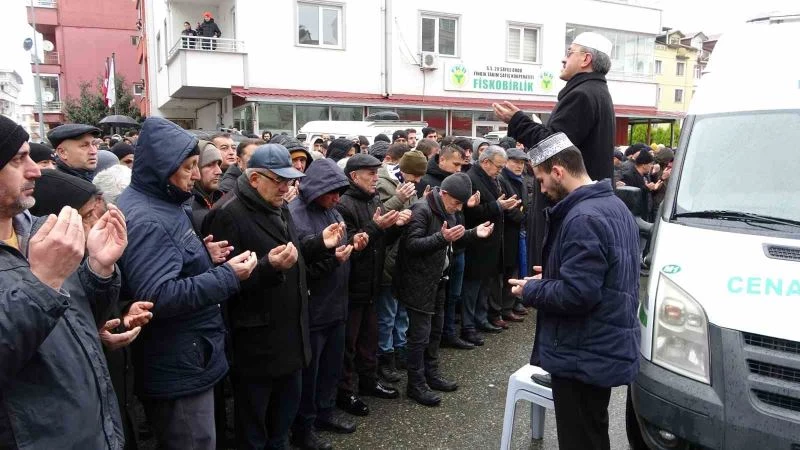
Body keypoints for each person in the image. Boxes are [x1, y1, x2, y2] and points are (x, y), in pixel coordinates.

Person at [117, 117, 257, 450]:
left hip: (188, 352)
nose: (196, 175)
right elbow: (157, 296)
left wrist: (201, 254)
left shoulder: (165, 201)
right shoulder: (149, 218)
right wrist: (227, 276)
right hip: (177, 361)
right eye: (189, 167)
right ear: (163, 167)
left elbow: (168, 262)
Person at [0, 116, 136, 449]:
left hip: (94, 427)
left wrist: (99, 271)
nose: (35, 170)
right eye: (18, 159)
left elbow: (83, 318)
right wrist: (43, 282)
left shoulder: (40, 229)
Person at [205, 144, 343, 450]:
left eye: (290, 180)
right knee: (254, 428)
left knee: (282, 422)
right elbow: (224, 283)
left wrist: (320, 243)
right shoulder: (227, 214)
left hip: (291, 337)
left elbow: (292, 252)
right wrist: (268, 267)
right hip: (256, 345)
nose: (287, 187)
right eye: (279, 180)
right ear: (254, 179)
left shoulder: (277, 204)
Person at [508, 132, 640, 450]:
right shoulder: (612, 205)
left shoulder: (583, 218)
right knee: (592, 432)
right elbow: (605, 272)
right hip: (598, 347)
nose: (540, 189)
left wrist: (533, 290)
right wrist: (554, 273)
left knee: (581, 439)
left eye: (541, 180)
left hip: (583, 352)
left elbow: (579, 294)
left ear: (558, 171)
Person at [395, 173, 495, 406]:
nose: (459, 208)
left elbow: (453, 239)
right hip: (418, 282)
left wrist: (473, 233)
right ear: (445, 194)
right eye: (457, 203)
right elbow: (411, 245)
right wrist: (441, 238)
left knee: (435, 332)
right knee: (419, 336)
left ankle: (431, 374)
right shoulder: (422, 209)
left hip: (439, 279)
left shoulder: (447, 209)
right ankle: (415, 384)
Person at [288, 158, 368, 449]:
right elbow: (299, 269)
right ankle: (304, 427)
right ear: (316, 188)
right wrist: (333, 260)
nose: (337, 198)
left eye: (340, 191)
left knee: (331, 368)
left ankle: (325, 412)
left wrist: (353, 247)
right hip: (313, 310)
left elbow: (338, 252)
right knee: (310, 374)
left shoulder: (332, 210)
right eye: (332, 191)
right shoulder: (295, 216)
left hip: (337, 305)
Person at [336, 154, 411, 417]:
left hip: (372, 283)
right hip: (352, 285)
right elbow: (353, 245)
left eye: (377, 172)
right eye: (370, 173)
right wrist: (377, 226)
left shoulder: (373, 200)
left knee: (369, 337)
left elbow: (379, 239)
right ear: (354, 176)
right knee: (349, 342)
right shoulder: (345, 204)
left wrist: (395, 227)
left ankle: (368, 381)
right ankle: (344, 392)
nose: (375, 178)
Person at [492, 31, 615, 183]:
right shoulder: (596, 91)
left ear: (586, 59)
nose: (563, 59)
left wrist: (517, 121)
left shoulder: (582, 94)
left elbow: (554, 147)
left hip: (573, 197)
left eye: (569, 53)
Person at [375, 148, 425, 383]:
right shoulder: (384, 183)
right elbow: (379, 218)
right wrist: (400, 199)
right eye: (414, 176)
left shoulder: (411, 183)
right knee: (387, 313)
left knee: (401, 311)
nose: (416, 181)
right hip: (388, 257)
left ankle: (401, 349)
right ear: (404, 171)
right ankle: (385, 356)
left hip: (405, 257)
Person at [461, 146, 520, 342]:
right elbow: (469, 212)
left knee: (485, 284)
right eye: (498, 166)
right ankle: (468, 326)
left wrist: (504, 205)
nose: (500, 171)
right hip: (476, 243)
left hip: (492, 242)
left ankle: (481, 318)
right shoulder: (471, 178)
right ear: (485, 162)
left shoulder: (492, 178)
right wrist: (497, 206)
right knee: (472, 288)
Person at [498, 149, 531, 320]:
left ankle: (511, 304)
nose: (519, 165)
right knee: (508, 270)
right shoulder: (502, 179)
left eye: (522, 162)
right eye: (516, 161)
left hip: (519, 229)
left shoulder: (521, 180)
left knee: (517, 268)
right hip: (508, 231)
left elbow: (525, 203)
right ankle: (504, 308)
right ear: (506, 161)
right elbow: (509, 208)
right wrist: (522, 216)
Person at [190, 140, 223, 234]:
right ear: (195, 168)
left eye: (218, 164)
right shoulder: (187, 207)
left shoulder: (221, 198)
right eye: (209, 165)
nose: (219, 171)